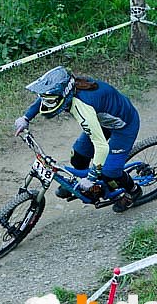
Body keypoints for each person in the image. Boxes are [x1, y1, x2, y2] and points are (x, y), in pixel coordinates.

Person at [14, 66, 142, 213]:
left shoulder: (82, 108)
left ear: (64, 94)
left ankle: (134, 191)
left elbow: (101, 147)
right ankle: (85, 187)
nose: (47, 102)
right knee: (78, 156)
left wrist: (91, 177)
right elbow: (46, 98)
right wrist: (26, 117)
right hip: (103, 120)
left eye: (51, 100)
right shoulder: (68, 90)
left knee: (109, 172)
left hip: (124, 126)